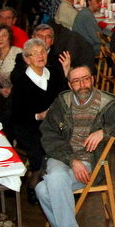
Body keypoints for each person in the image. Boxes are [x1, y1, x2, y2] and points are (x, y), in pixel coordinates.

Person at [38, 65, 115, 227]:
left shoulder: (107, 104)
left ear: (93, 79)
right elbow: (48, 134)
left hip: (91, 162)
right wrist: (71, 159)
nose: (82, 84)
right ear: (69, 84)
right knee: (53, 180)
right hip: (63, 156)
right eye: (76, 81)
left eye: (85, 79)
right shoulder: (62, 102)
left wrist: (105, 132)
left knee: (43, 189)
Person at [11, 38, 71, 205]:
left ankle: (63, 183)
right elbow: (18, 114)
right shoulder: (21, 82)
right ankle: (33, 184)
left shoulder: (54, 73)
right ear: (27, 59)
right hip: (28, 125)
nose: (40, 56)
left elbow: (64, 96)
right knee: (39, 149)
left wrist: (66, 72)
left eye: (42, 52)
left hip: (52, 124)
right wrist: (39, 116)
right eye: (34, 53)